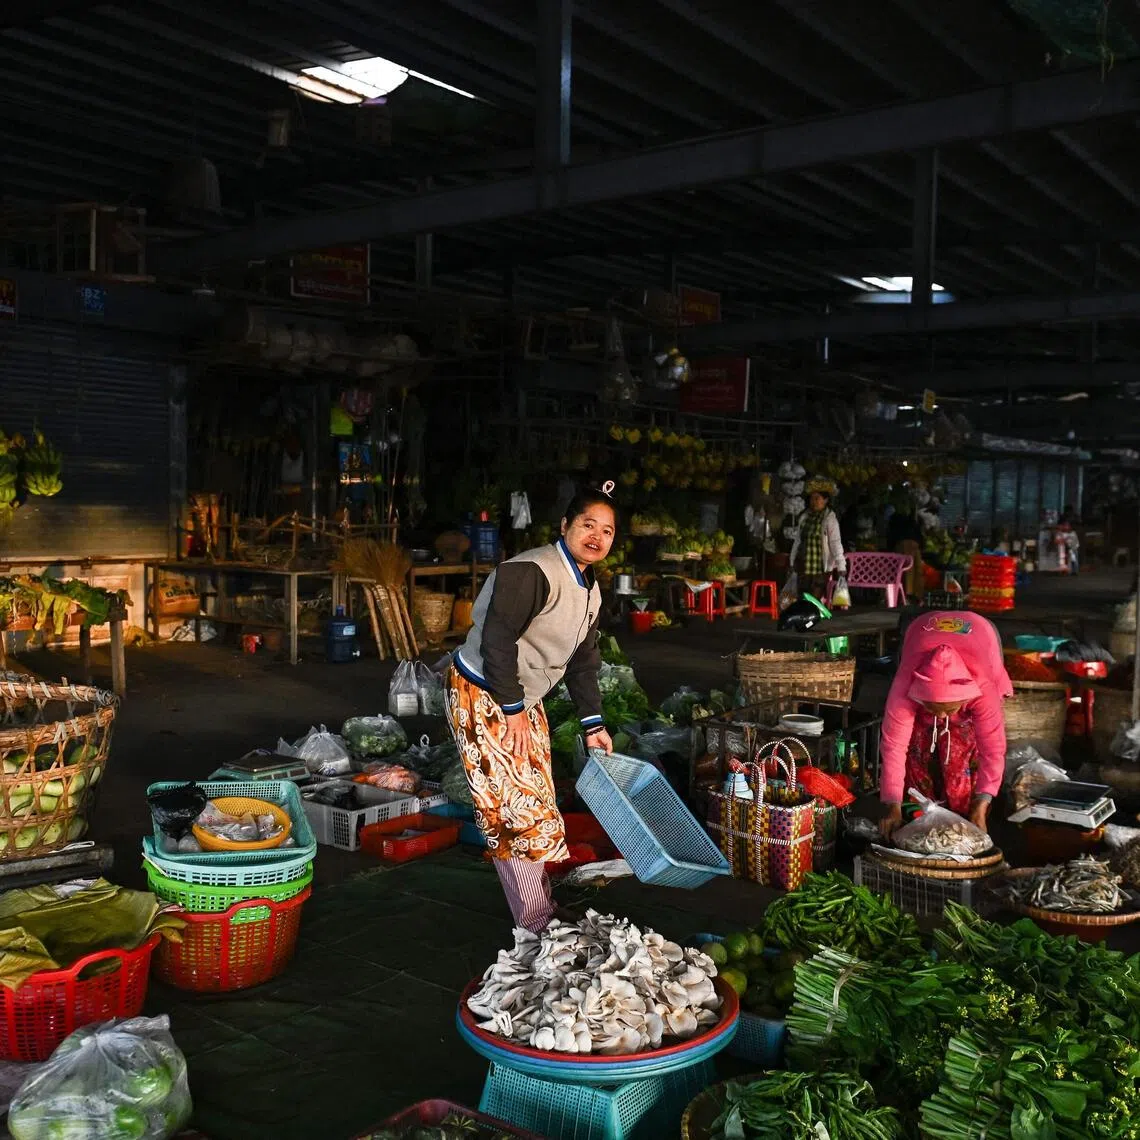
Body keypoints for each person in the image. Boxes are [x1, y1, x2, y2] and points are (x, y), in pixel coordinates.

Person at [445, 485, 616, 932]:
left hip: (520, 696)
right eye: (587, 525)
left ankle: (539, 906)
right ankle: (535, 921)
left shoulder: (589, 590)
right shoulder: (531, 570)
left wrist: (593, 721)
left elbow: (583, 660)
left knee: (536, 799)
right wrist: (513, 710)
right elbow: (496, 641)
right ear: (565, 526)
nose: (596, 537)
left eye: (607, 531)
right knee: (512, 807)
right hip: (484, 692)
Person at [878, 610, 1012, 839]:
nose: (941, 717)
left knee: (965, 753)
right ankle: (919, 813)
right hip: (921, 633)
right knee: (917, 750)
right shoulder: (906, 681)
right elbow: (894, 746)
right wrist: (893, 805)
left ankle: (965, 814)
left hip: (981, 636)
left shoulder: (983, 686)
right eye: (932, 708)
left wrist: (982, 803)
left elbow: (993, 749)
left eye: (949, 710)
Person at [789, 479, 846, 601]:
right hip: (803, 565)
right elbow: (798, 540)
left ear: (825, 500)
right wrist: (792, 560)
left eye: (817, 498)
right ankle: (804, 619)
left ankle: (812, 619)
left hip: (820, 568)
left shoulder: (830, 519)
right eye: (812, 498)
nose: (813, 502)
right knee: (802, 597)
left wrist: (841, 565)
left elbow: (835, 542)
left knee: (814, 599)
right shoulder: (805, 517)